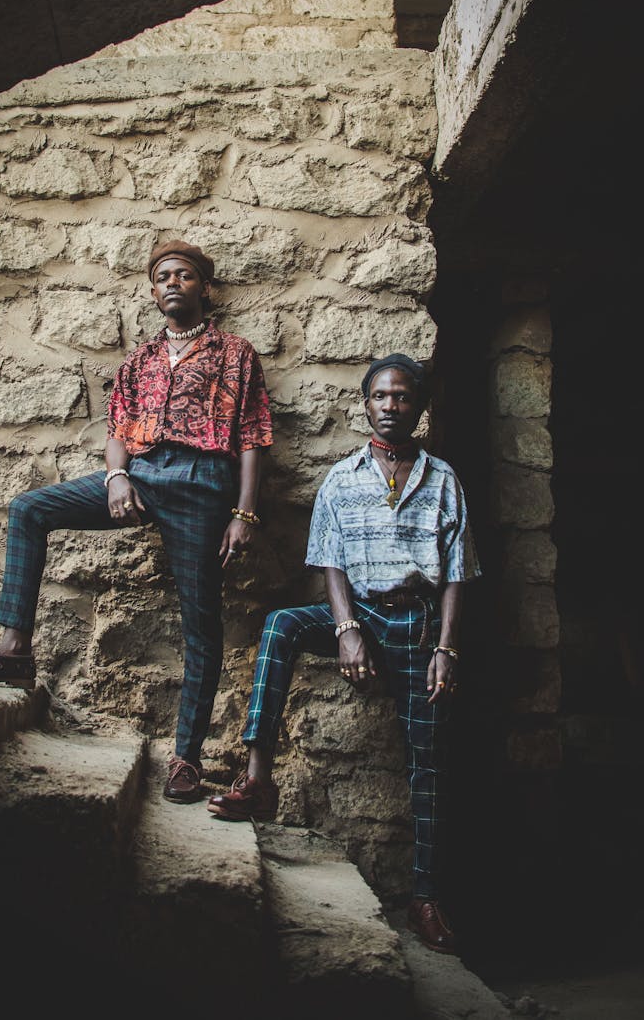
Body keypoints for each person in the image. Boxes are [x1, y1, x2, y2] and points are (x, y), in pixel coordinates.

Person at [0, 238, 274, 803]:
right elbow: (118, 431)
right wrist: (117, 477)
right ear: (152, 291)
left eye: (185, 275)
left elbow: (253, 435)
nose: (173, 282)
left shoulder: (234, 352)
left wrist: (244, 512)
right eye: (164, 275)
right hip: (141, 475)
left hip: (201, 487)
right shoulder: (139, 360)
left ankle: (186, 759)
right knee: (29, 508)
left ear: (205, 288)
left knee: (202, 625)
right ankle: (13, 651)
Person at [207, 352, 480, 955]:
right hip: (359, 613)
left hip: (416, 622)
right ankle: (257, 778)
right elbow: (329, 559)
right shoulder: (342, 476)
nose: (391, 407)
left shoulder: (443, 480)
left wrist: (447, 649)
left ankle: (426, 897)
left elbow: (458, 573)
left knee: (428, 761)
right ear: (366, 405)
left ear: (419, 407)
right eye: (381, 397)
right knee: (280, 624)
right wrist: (346, 628)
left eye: (403, 397)